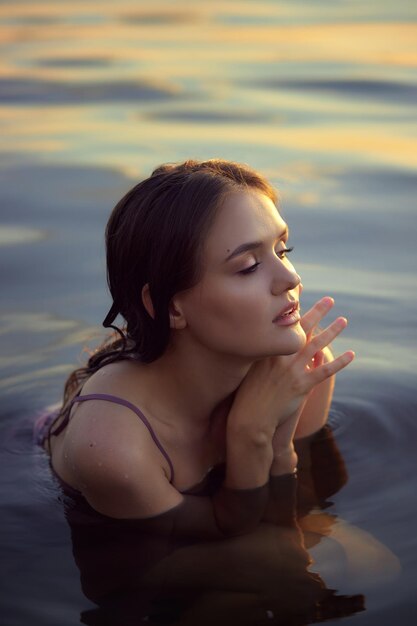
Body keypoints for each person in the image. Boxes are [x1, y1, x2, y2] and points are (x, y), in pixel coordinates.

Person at [37, 158, 355, 538]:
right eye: (249, 266)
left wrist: (278, 438)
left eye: (283, 251)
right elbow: (213, 544)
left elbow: (298, 507)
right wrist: (250, 434)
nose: (291, 278)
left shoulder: (301, 371)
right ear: (171, 307)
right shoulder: (115, 446)